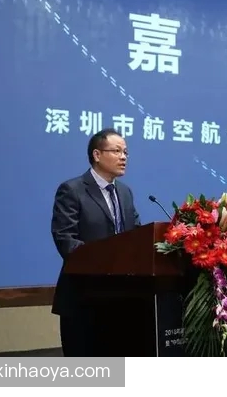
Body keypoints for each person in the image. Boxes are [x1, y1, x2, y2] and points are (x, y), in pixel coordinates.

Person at [50, 128, 142, 356]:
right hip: (84, 300)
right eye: (117, 151)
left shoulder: (125, 192)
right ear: (97, 155)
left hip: (121, 302)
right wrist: (107, 261)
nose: (123, 157)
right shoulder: (72, 190)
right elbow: (65, 239)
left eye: (126, 152)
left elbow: (137, 235)